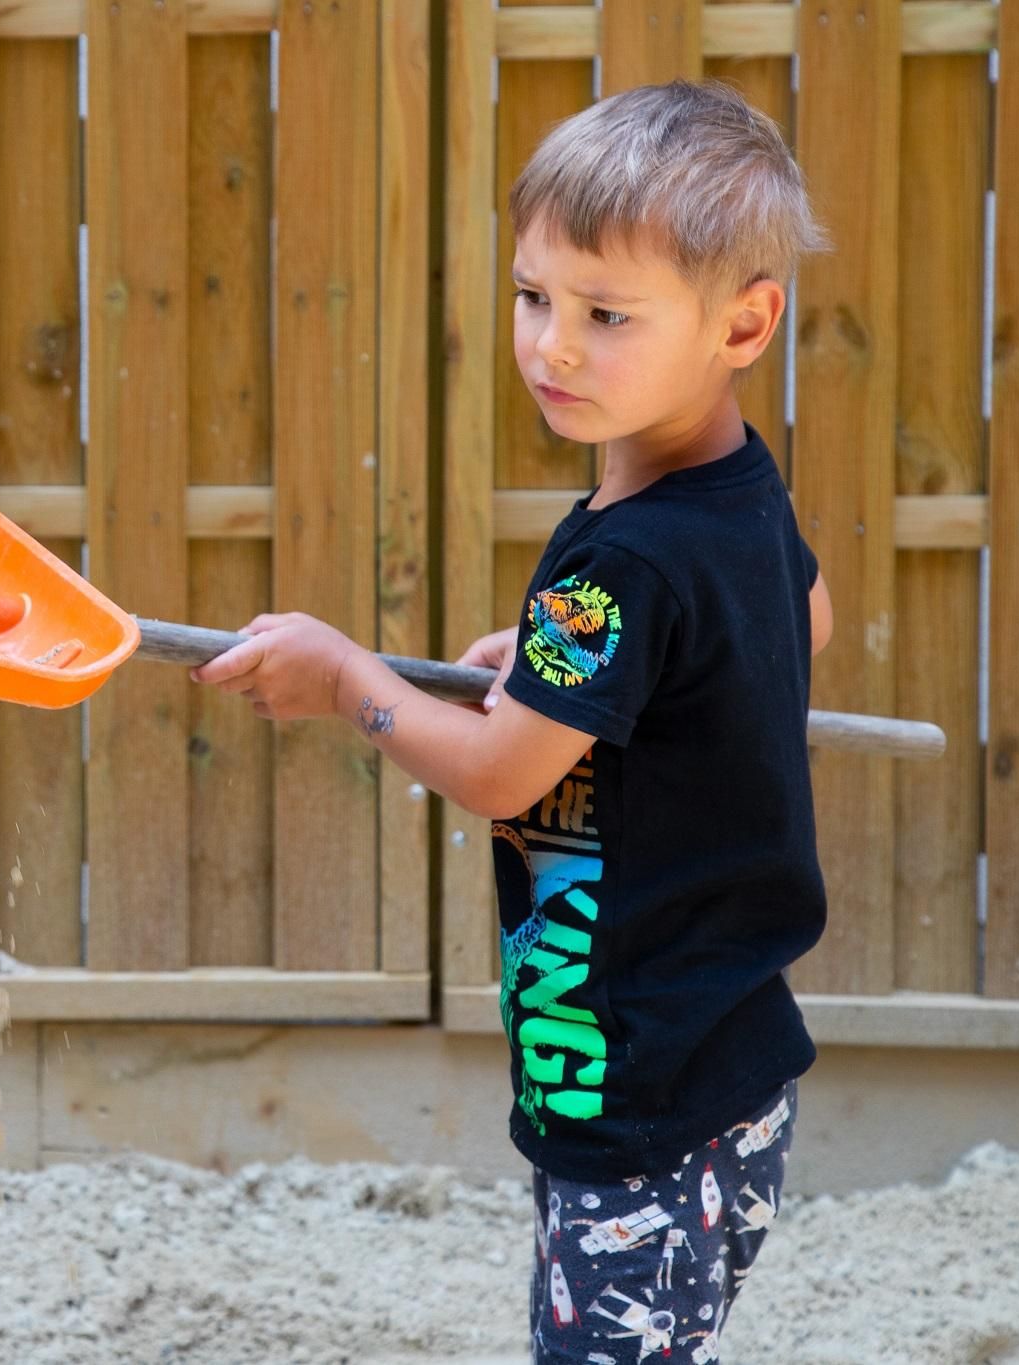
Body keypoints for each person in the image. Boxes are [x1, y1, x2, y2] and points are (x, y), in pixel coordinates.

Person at [191, 79, 833, 1362]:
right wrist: (567, 675)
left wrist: (346, 680)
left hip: (632, 1086)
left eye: (605, 314)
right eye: (533, 297)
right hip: (729, 1063)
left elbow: (497, 776)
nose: (552, 347)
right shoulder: (735, 493)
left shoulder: (624, 562)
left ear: (742, 323)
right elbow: (801, 616)